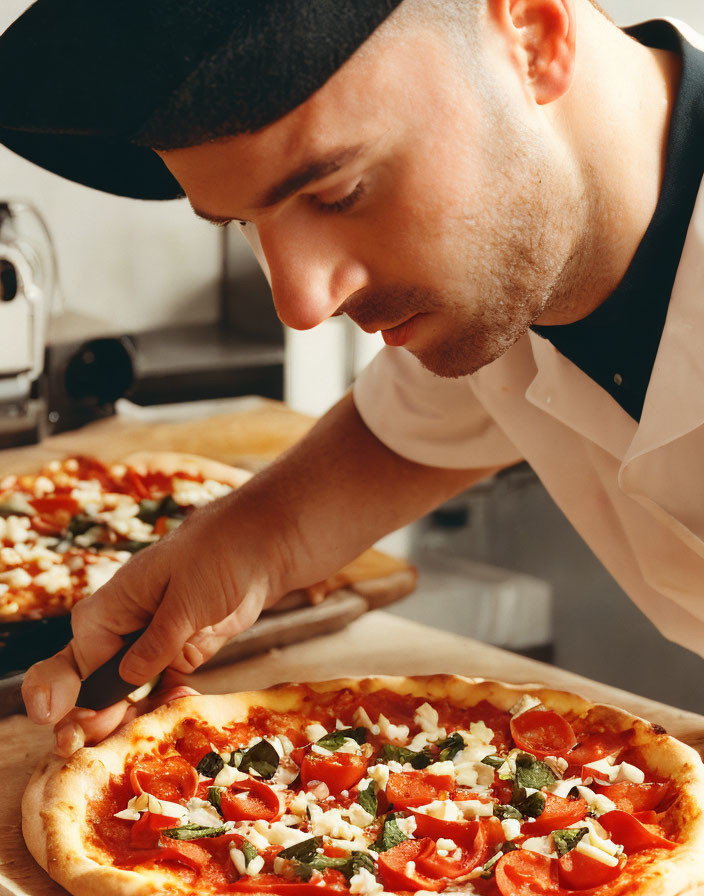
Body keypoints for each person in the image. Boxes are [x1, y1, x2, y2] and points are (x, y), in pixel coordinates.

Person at [3, 0, 703, 755]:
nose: (301, 304)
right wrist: (239, 549)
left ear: (533, 37)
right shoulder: (507, 265)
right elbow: (403, 436)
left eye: (339, 192)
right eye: (246, 225)